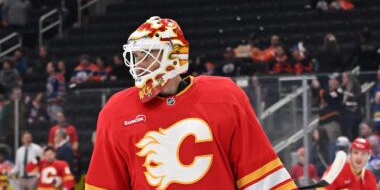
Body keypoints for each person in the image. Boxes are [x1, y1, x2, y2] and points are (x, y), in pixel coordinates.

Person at [86, 16, 297, 189]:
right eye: (137, 57)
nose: (140, 65)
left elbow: (259, 174)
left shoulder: (224, 96)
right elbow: (105, 184)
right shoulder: (116, 112)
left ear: (174, 56)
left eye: (148, 55)